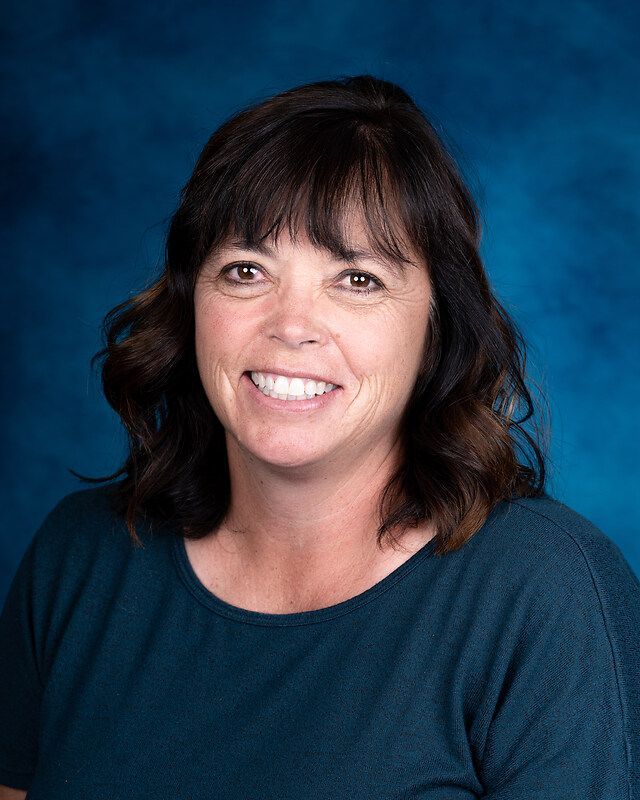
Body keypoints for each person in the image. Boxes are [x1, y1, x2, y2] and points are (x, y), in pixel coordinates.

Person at [0, 74, 638, 799]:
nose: (291, 324)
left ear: (437, 326)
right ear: (191, 303)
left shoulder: (545, 594)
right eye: (246, 270)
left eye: (357, 279)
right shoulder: (80, 558)